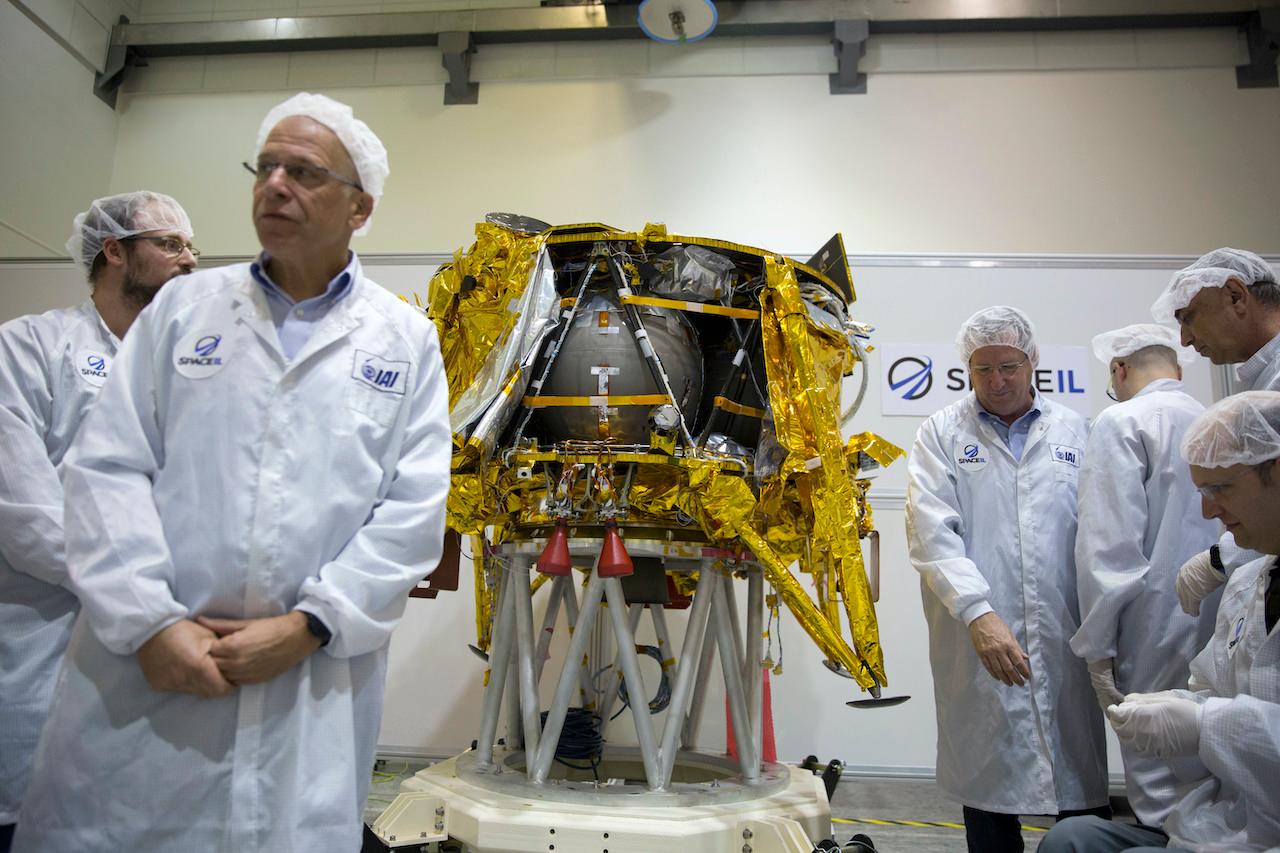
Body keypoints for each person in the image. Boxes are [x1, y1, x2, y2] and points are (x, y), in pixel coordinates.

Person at [13, 93, 451, 851]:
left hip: (305, 679)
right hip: (147, 671)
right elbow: (106, 467)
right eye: (267, 166)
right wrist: (150, 621)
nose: (275, 184)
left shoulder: (403, 339)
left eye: (306, 172)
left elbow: (412, 508)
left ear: (360, 207)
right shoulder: (184, 309)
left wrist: (310, 623)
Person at [0, 192, 196, 852]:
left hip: (160, 685)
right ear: (115, 250)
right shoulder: (28, 350)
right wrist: (156, 592)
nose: (189, 260)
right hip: (40, 661)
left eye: (190, 247)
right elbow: (28, 520)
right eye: (170, 244)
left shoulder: (194, 373)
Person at [905, 305, 1108, 853]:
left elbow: (1100, 534)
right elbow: (931, 531)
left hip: (1065, 631)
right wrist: (978, 612)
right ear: (967, 371)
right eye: (983, 369)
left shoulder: (1077, 430)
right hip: (977, 635)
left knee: (1080, 790)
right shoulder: (942, 432)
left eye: (1009, 367)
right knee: (990, 788)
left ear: (1033, 361)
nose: (997, 381)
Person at [1039, 391, 1280, 853]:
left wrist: (1205, 723)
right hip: (1229, 823)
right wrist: (1173, 706)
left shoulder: (1119, 422)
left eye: (1221, 489)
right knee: (1071, 838)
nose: (1209, 512)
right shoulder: (1250, 584)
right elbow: (1214, 687)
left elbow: (1106, 548)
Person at [1070, 324, 1219, 830]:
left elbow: (1107, 547)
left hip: (1149, 623)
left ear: (1119, 369)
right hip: (1221, 616)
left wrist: (1097, 647)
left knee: (1156, 774)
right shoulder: (1214, 419)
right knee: (1209, 764)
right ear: (1176, 370)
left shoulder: (1121, 421)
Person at [1151, 250, 1280, 632]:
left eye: (1189, 317)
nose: (1186, 340)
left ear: (1236, 296)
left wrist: (1222, 558)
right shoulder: (1263, 380)